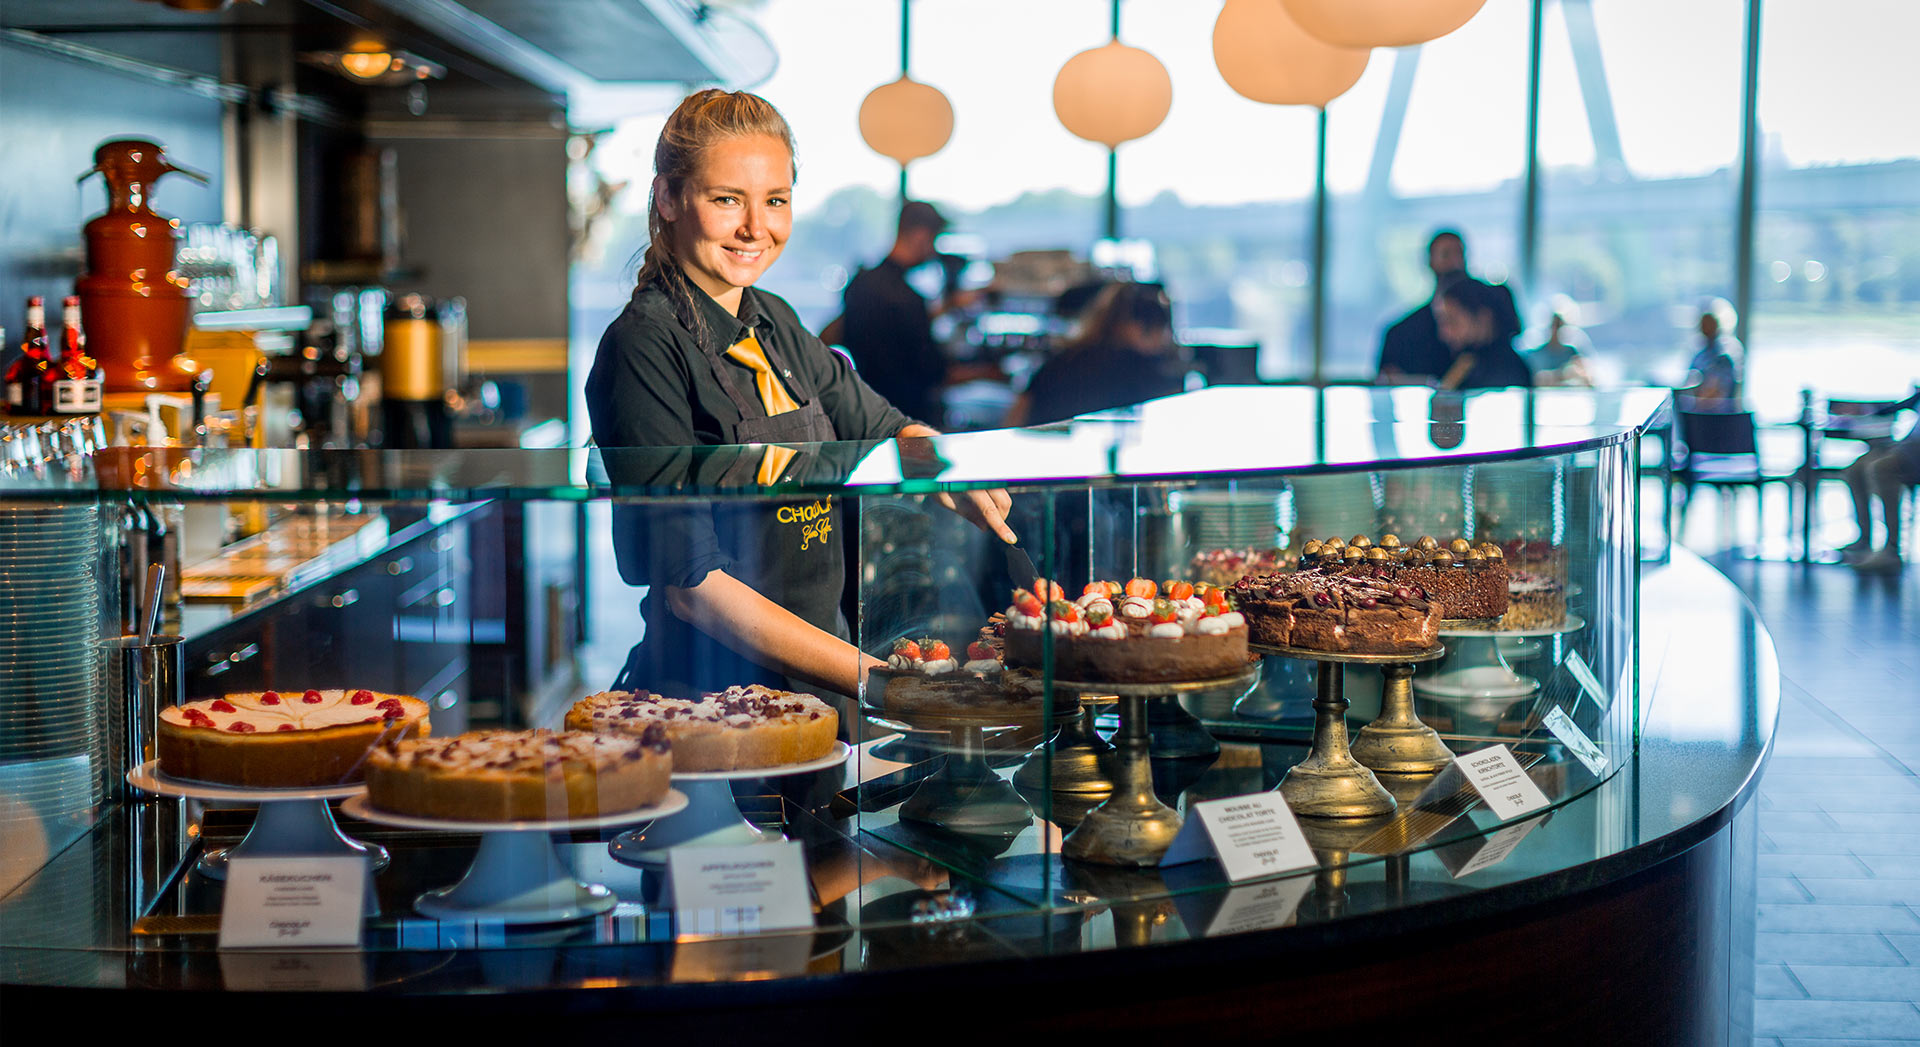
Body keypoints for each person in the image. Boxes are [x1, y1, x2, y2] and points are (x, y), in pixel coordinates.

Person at [584, 89, 1013, 701]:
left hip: (823, 685)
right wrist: (882, 683)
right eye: (727, 199)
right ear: (669, 198)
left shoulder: (773, 320)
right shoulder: (643, 345)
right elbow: (690, 586)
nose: (756, 228)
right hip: (715, 705)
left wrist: (949, 468)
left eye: (775, 201)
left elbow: (886, 426)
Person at [837, 201, 974, 428]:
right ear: (921, 236)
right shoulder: (907, 298)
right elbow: (935, 374)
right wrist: (990, 373)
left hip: (864, 415)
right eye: (934, 241)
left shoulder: (861, 284)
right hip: (908, 420)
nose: (933, 251)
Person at [1004, 281, 1187, 426]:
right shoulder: (1153, 376)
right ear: (1136, 327)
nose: (1163, 337)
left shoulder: (1062, 361)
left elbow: (1015, 420)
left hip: (1046, 463)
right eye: (1156, 326)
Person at [1378, 229, 1521, 384]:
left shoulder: (1496, 303)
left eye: (1459, 254)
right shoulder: (1403, 333)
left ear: (1483, 318)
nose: (1455, 261)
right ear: (1430, 262)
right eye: (1446, 254)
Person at [1838, 388, 1920, 573]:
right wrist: (1863, 411)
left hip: (1915, 449)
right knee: (1855, 468)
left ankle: (1891, 549)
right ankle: (1864, 540)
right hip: (1909, 444)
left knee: (1881, 468)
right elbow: (1896, 407)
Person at [1432, 277, 1533, 390]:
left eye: (1452, 321)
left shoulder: (1507, 372)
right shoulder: (1466, 361)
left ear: (1484, 318)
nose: (1444, 333)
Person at [1680, 305, 1743, 409]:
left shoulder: (1723, 356)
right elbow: (1689, 382)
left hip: (1717, 416)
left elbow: (1717, 392)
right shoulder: (1700, 354)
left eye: (1709, 324)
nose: (1705, 328)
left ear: (1717, 325)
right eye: (1703, 324)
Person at [1526, 312, 1594, 387]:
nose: (1558, 330)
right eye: (1556, 326)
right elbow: (1538, 379)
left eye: (1561, 326)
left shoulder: (1572, 352)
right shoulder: (1539, 353)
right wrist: (1562, 374)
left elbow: (1589, 380)